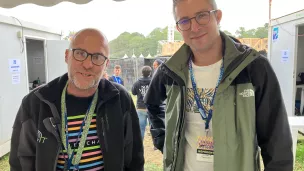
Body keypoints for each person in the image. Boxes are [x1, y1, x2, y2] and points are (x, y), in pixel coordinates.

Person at [144, 0, 293, 171]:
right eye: (185, 21)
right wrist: (165, 142)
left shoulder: (252, 67)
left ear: (218, 16)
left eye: (201, 16)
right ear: (178, 28)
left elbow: (277, 142)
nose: (194, 27)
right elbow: (152, 104)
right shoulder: (169, 71)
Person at [9, 28, 144, 171]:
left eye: (97, 57)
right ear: (67, 56)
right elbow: (21, 161)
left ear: (106, 64)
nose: (87, 64)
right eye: (80, 53)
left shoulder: (120, 99)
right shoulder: (36, 102)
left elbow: (134, 158)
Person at [131, 66, 152, 139]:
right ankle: (156, 144)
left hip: (140, 107)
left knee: (141, 128)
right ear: (150, 73)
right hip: (151, 107)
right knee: (153, 127)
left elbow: (133, 92)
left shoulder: (137, 82)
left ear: (142, 73)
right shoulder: (153, 81)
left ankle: (141, 144)